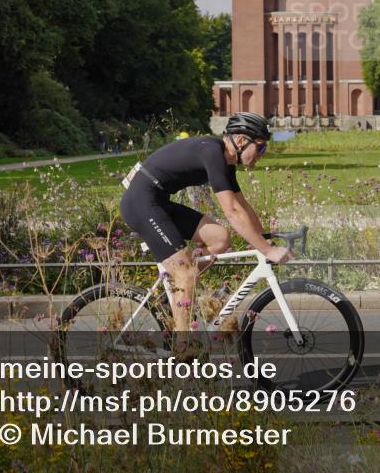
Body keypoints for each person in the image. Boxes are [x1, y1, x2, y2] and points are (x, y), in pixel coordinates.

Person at [118, 112, 291, 338]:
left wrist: (266, 239)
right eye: (260, 148)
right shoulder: (213, 153)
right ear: (240, 141)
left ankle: (177, 288)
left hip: (158, 202)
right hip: (141, 203)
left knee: (220, 238)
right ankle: (183, 352)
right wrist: (267, 250)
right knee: (187, 273)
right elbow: (232, 212)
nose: (261, 154)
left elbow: (243, 206)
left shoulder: (225, 162)